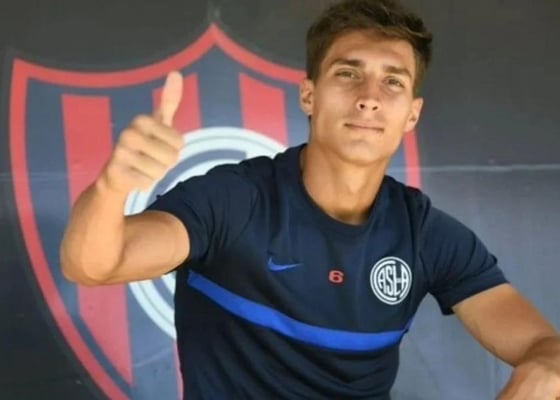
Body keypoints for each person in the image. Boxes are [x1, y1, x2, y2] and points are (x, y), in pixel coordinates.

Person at [60, 0, 560, 398]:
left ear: (411, 114)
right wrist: (111, 188)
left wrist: (545, 369)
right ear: (308, 95)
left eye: (393, 81)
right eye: (348, 73)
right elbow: (96, 264)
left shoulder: (423, 233)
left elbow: (544, 347)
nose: (369, 97)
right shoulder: (235, 199)